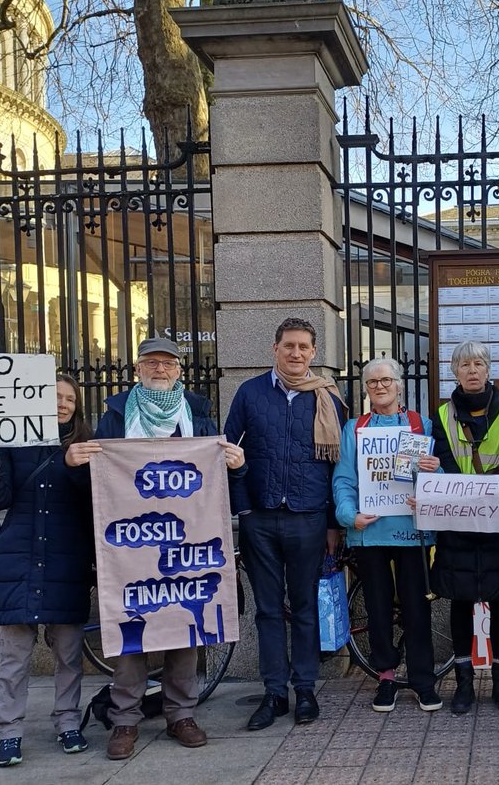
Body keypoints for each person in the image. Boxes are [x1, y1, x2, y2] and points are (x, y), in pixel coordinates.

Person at [66, 337, 245, 760]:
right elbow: (96, 482)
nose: (160, 369)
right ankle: (125, 720)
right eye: (152, 363)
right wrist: (77, 463)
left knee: (186, 622)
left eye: (168, 363)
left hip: (188, 540)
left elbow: (217, 482)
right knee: (132, 629)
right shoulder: (113, 417)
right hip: (132, 543)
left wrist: (236, 468)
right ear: (137, 369)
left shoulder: (198, 417)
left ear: (180, 371)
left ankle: (181, 714)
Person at [224, 317, 346, 731]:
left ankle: (306, 688)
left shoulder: (329, 399)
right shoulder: (249, 393)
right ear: (274, 349)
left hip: (308, 517)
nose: (296, 353)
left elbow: (339, 469)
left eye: (304, 347)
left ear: (314, 353)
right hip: (259, 519)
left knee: (307, 606)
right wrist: (243, 510)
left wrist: (333, 523)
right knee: (268, 610)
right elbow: (228, 454)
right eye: (289, 346)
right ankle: (274, 692)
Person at [0, 374, 95, 767]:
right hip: (19, 560)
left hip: (66, 560)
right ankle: (9, 732)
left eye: (69, 399)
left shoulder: (85, 445)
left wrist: (77, 468)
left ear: (77, 407)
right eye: (55, 396)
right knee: (13, 658)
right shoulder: (14, 441)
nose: (62, 404)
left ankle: (68, 722)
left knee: (69, 655)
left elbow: (97, 501)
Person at [333, 357, 444, 713]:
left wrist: (432, 473)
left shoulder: (420, 424)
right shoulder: (355, 428)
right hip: (370, 532)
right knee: (378, 609)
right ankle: (385, 677)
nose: (379, 387)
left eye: (385, 381)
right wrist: (349, 515)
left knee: (417, 608)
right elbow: (345, 478)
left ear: (399, 384)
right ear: (366, 389)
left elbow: (435, 482)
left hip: (412, 532)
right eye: (372, 383)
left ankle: (424, 679)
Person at [427, 340, 499, 715]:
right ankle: (463, 684)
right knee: (461, 601)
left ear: (488, 369)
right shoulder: (442, 415)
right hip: (457, 525)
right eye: (464, 364)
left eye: (478, 363)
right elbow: (444, 464)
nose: (472, 370)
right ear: (454, 370)